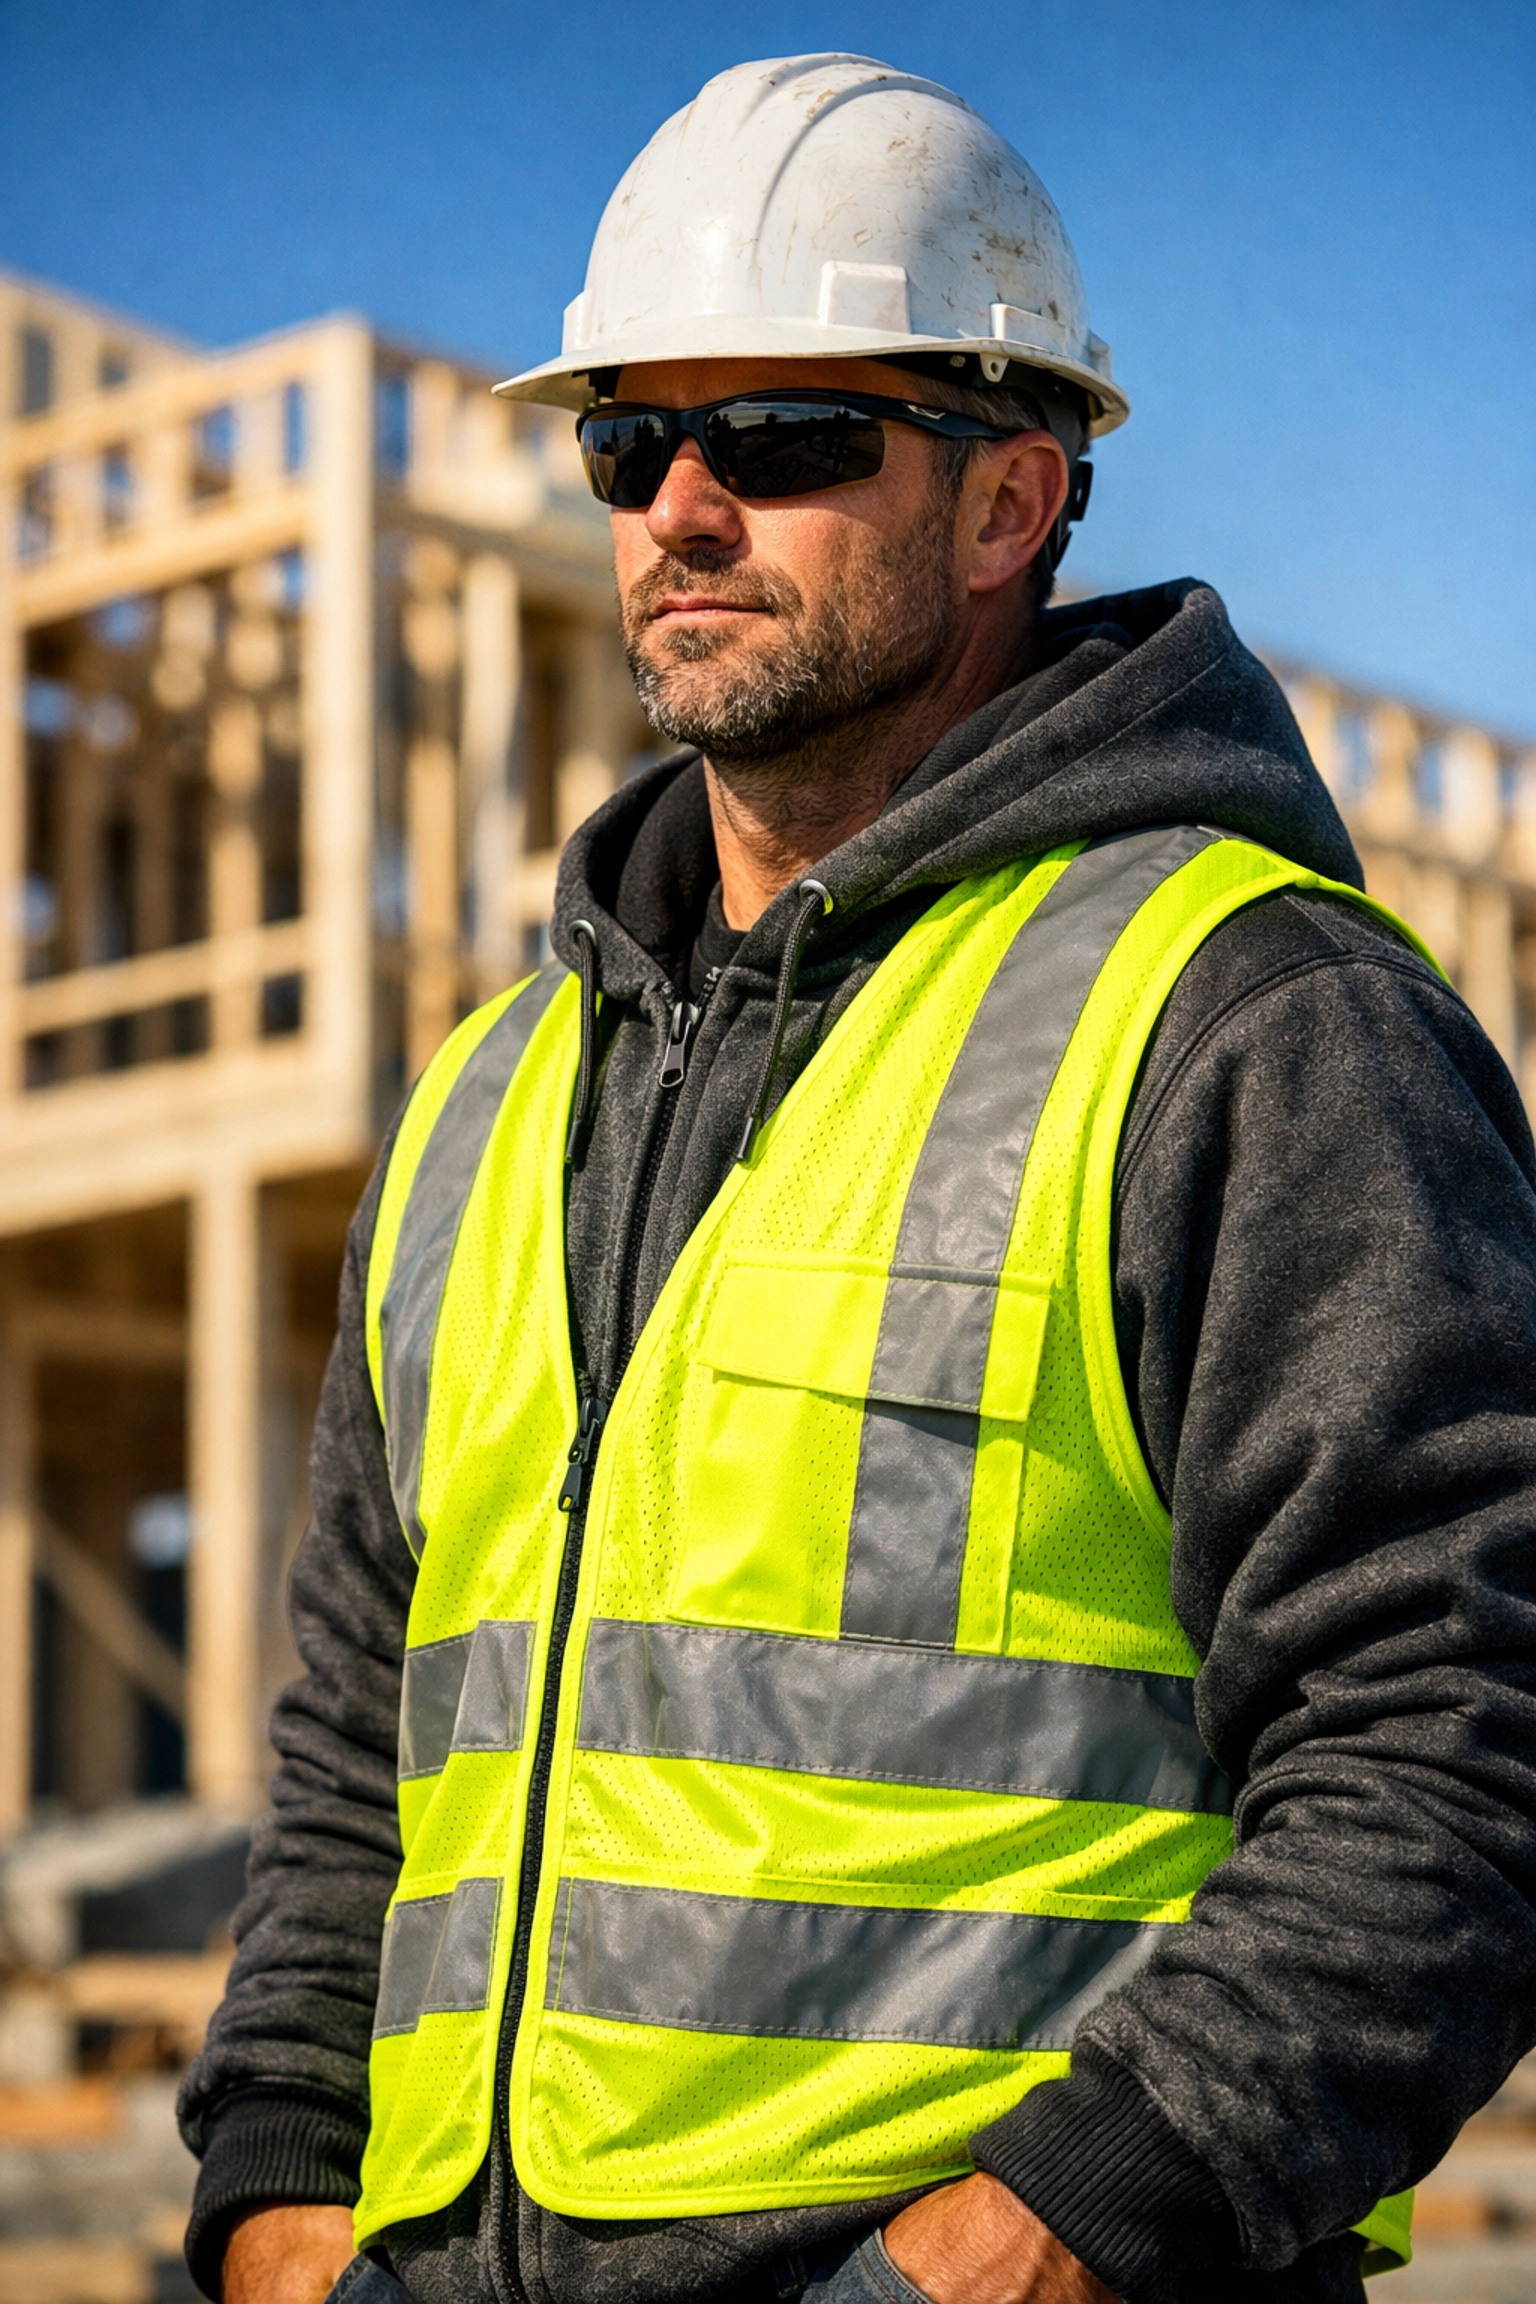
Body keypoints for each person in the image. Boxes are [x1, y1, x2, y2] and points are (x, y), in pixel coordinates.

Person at [179, 54, 1536, 2304]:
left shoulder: (1250, 1018)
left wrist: (1034, 2247)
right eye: (631, 441)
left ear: (1012, 500)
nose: (681, 510)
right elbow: (357, 1758)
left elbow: (1459, 1741)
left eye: (784, 438)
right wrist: (284, 2216)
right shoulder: (489, 1100)